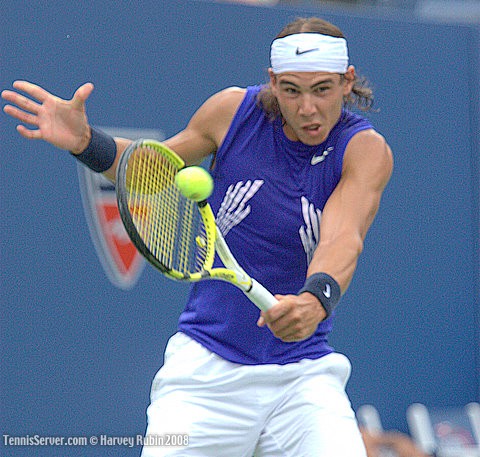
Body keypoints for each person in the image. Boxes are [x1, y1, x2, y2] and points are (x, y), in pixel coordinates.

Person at [2, 16, 393, 457]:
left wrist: (314, 300)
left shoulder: (363, 149)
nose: (307, 108)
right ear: (272, 82)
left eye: (322, 89)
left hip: (303, 378)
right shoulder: (231, 112)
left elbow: (343, 236)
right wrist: (86, 141)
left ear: (347, 81)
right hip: (205, 372)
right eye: (291, 90)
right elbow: (152, 172)